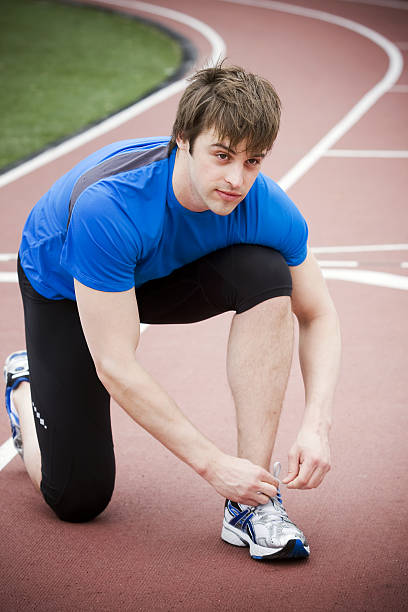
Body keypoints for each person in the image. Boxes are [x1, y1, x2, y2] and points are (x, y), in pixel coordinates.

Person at [4, 63, 341, 561]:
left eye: (253, 162)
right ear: (183, 138)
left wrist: (316, 424)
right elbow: (116, 365)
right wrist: (210, 463)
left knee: (270, 275)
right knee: (78, 497)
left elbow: (319, 315)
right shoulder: (109, 208)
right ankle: (24, 387)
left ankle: (252, 505)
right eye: (222, 155)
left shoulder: (266, 205)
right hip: (67, 288)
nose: (236, 179)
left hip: (159, 273)